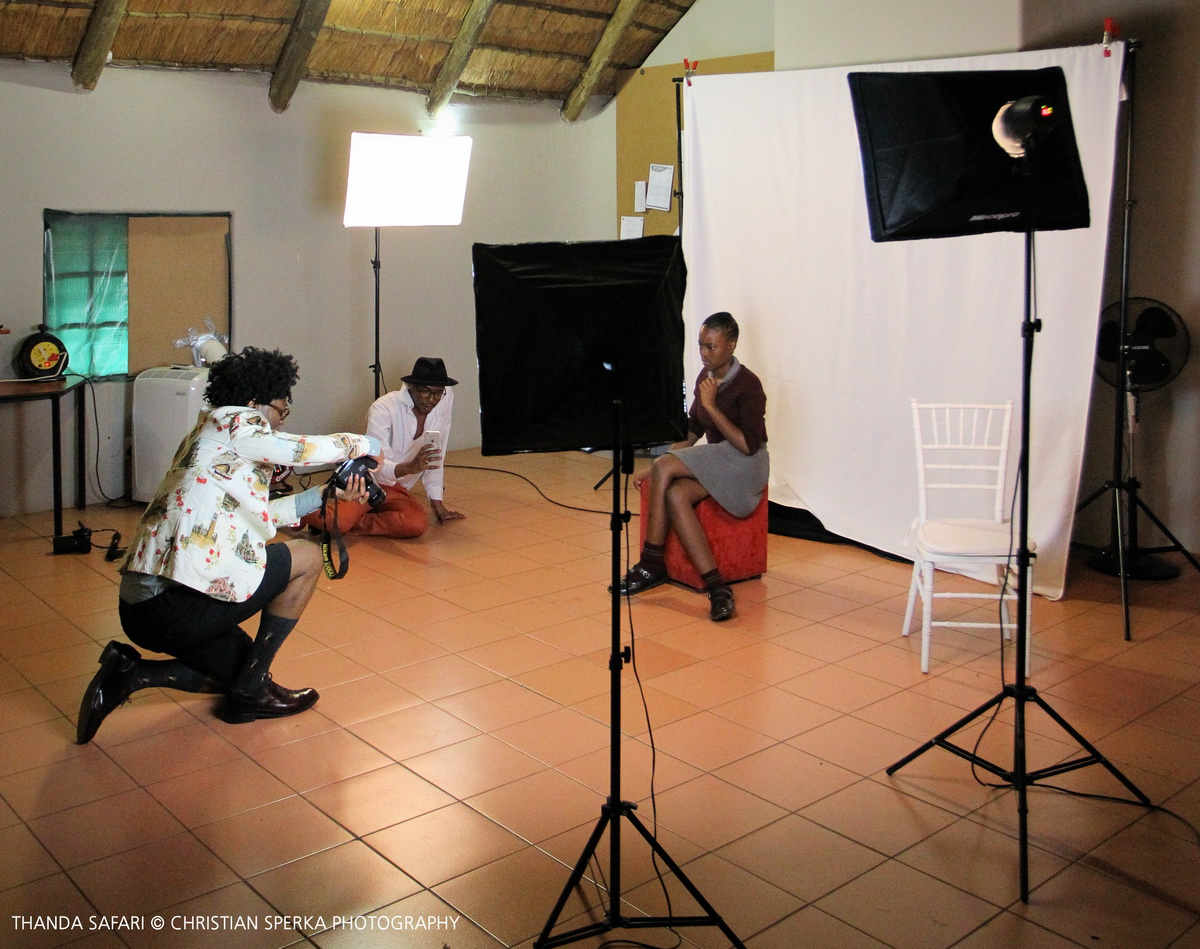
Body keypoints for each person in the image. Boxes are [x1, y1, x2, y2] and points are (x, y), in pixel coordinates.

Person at [76, 347, 380, 744]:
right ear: (254, 403)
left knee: (245, 670)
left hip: (143, 610)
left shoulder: (211, 435)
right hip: (169, 605)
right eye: (281, 410)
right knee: (306, 554)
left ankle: (131, 675)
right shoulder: (238, 424)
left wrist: (327, 493)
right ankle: (251, 693)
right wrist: (366, 444)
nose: (279, 421)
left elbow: (261, 516)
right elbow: (302, 450)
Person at [617, 312, 768, 622]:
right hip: (722, 461)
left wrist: (711, 404)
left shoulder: (749, 385)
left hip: (747, 466)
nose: (704, 353)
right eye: (701, 346)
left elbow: (747, 445)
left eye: (711, 346)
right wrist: (660, 464)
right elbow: (694, 428)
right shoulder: (705, 377)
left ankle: (650, 563)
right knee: (675, 495)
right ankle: (717, 588)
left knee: (666, 470)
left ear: (731, 345)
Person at [302, 356, 464, 537]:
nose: (432, 400)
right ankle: (294, 510)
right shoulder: (383, 409)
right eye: (426, 392)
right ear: (411, 387)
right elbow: (376, 469)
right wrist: (411, 467)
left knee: (416, 524)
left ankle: (346, 521)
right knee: (339, 522)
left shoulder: (445, 398)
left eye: (438, 393)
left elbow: (435, 453)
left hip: (397, 489)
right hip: (366, 481)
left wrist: (438, 504)